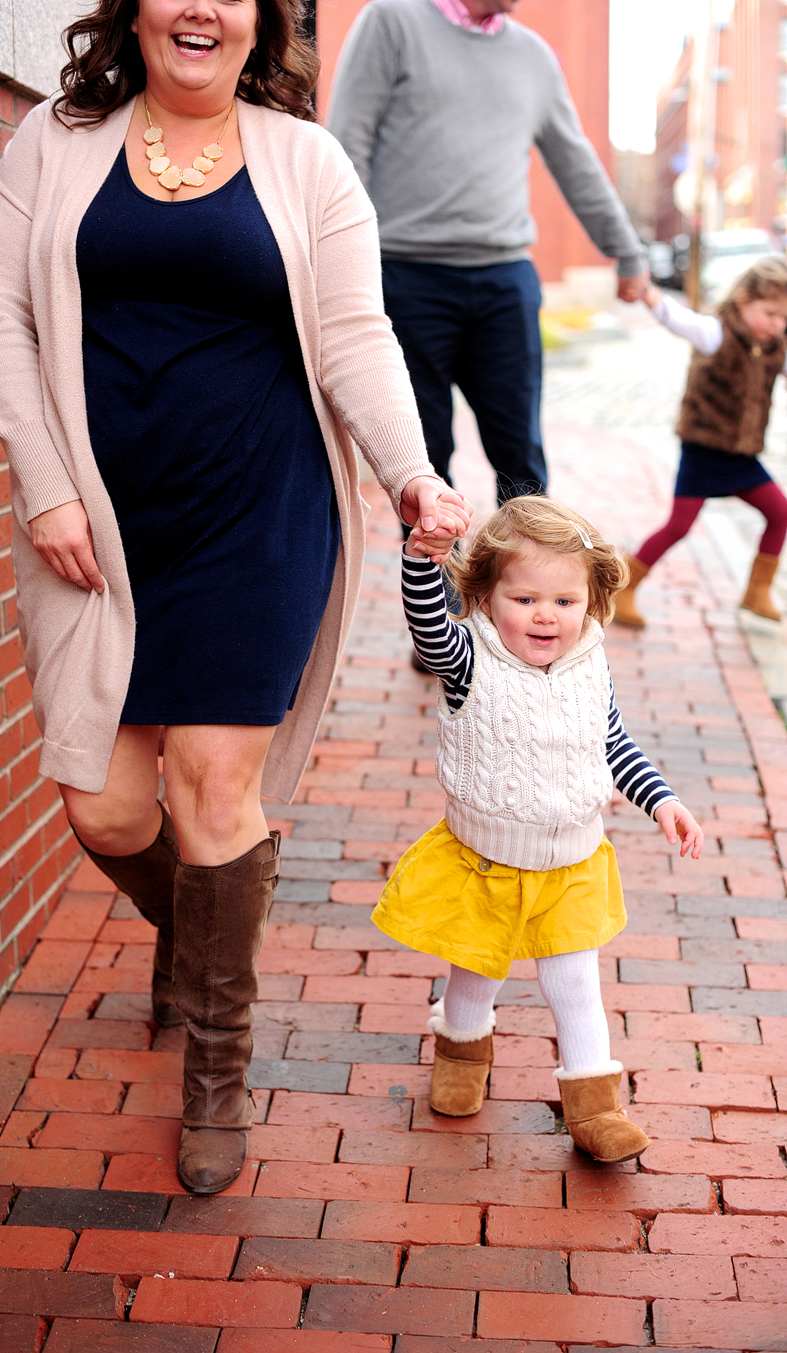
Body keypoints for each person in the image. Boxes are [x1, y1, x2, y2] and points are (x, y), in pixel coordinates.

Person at [0, 0, 471, 1196]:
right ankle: (202, 939)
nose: (203, 7)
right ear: (135, 12)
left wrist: (411, 471)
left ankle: (217, 1072)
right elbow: (0, 318)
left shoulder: (307, 161)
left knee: (211, 785)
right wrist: (45, 491)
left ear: (260, 24)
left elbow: (355, 333)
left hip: (259, 506)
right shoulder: (55, 136)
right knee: (106, 809)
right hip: (97, 517)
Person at [372, 497, 703, 1163]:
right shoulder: (469, 662)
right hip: (487, 858)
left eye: (564, 599)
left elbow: (613, 746)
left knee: (575, 980)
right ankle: (462, 1058)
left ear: (592, 599)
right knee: (476, 967)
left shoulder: (591, 667)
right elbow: (427, 622)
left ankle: (595, 1106)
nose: (545, 614)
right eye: (523, 598)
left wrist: (660, 799)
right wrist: (418, 559)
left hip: (572, 861)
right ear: (488, 597)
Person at [328, 0, 648, 505]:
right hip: (407, 277)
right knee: (424, 467)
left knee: (522, 461)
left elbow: (576, 162)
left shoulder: (534, 56)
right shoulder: (391, 21)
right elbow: (348, 144)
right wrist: (347, 264)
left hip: (505, 280)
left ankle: (525, 582)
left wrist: (627, 253)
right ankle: (440, 587)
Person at [614, 258, 787, 627]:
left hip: (742, 457)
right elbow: (678, 320)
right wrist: (646, 293)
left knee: (780, 512)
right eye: (771, 313)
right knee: (678, 526)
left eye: (784, 318)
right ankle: (624, 586)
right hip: (704, 453)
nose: (777, 324)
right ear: (743, 301)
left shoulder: (775, 346)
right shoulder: (716, 333)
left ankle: (757, 591)